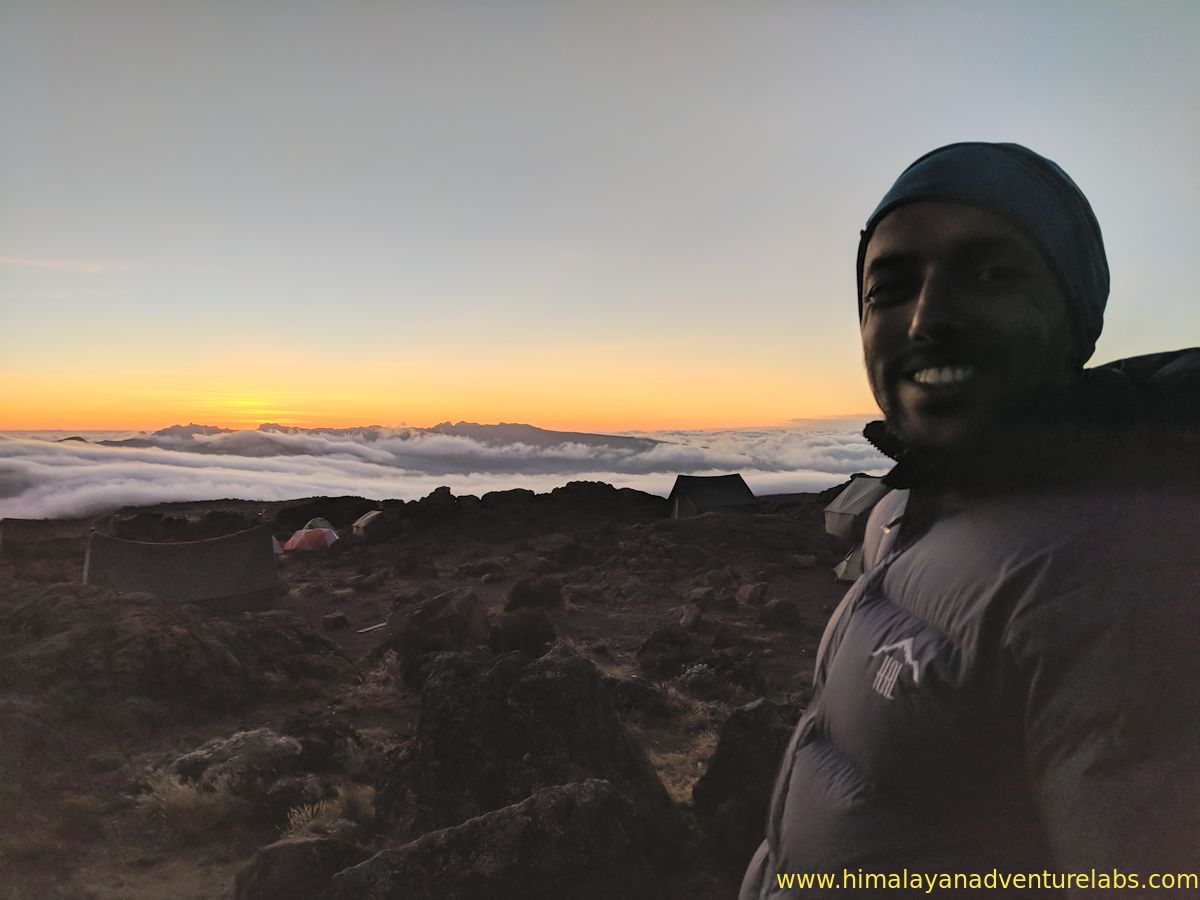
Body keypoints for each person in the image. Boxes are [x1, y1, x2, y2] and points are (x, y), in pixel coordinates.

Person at [740, 143, 1199, 898]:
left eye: (989, 275)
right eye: (889, 289)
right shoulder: (907, 507)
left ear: (1074, 315)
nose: (927, 319)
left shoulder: (1132, 580)